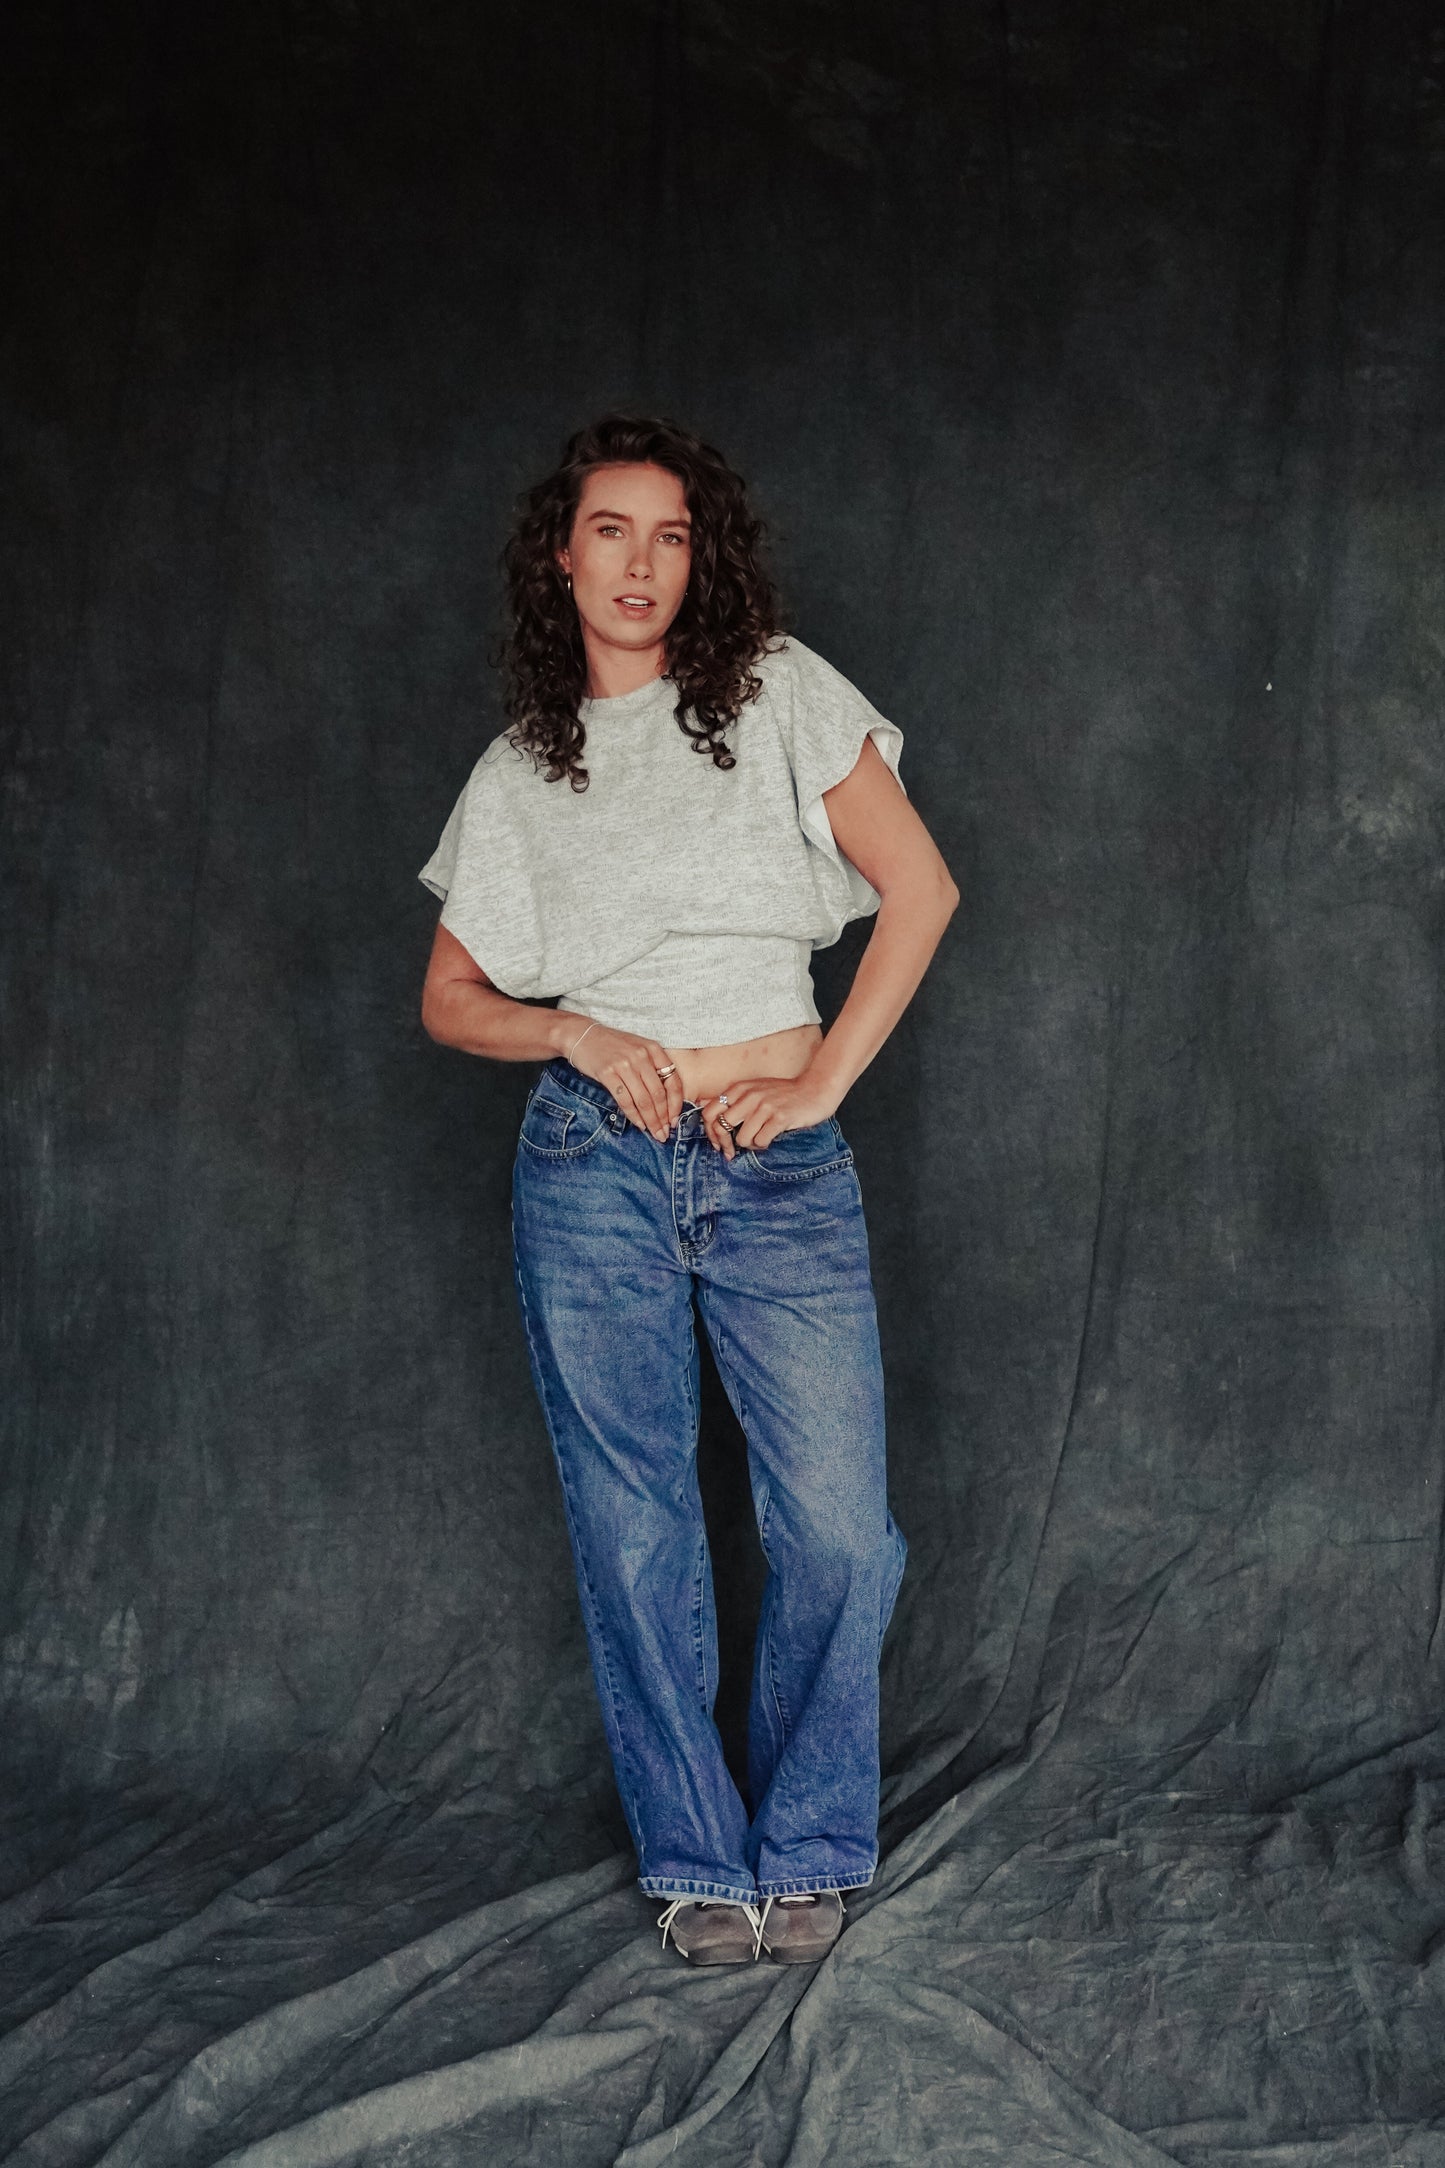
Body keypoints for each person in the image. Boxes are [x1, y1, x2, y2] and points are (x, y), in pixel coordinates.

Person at [418, 413, 958, 1966]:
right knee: (636, 1529)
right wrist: (573, 1026)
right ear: (560, 554)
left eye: (669, 534)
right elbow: (450, 1000)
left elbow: (919, 890)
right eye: (608, 530)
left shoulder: (780, 692)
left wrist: (817, 1087)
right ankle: (695, 1858)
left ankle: (808, 1841)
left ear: (700, 556)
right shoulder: (527, 767)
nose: (639, 563)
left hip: (775, 1167)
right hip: (590, 1170)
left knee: (840, 1532)